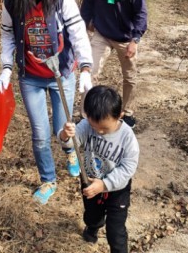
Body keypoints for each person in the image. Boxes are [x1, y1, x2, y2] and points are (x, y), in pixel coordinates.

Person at [0, 0, 93, 205]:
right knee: (40, 133)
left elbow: (78, 34)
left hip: (61, 75)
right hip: (31, 77)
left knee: (63, 128)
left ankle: (70, 150)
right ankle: (48, 179)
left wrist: (85, 67)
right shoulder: (13, 0)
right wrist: (6, 66)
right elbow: (7, 34)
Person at [59, 85, 139, 253]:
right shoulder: (87, 125)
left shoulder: (127, 137)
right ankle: (93, 227)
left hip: (117, 189)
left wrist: (104, 185)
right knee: (92, 215)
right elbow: (71, 143)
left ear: (119, 116)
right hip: (89, 180)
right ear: (87, 116)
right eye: (95, 127)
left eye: (104, 128)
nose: (99, 132)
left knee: (116, 231)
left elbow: (128, 168)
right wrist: (66, 135)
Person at [80, 0, 147, 127]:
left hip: (126, 36)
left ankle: (127, 112)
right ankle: (86, 115)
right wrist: (86, 26)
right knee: (89, 72)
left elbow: (141, 12)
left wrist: (135, 39)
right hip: (102, 34)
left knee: (130, 77)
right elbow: (87, 6)